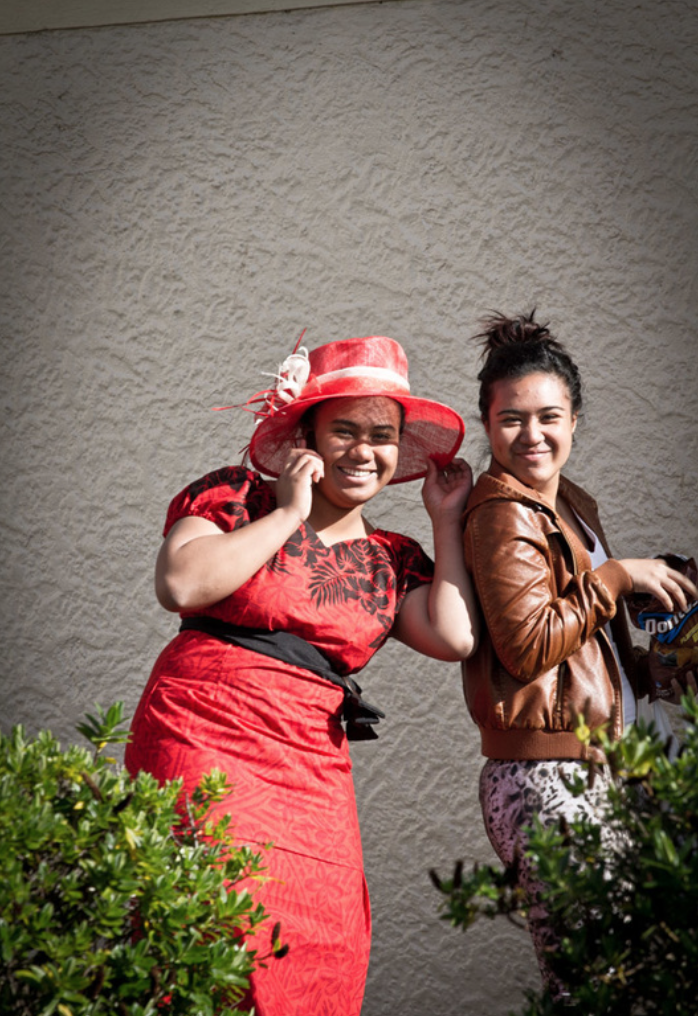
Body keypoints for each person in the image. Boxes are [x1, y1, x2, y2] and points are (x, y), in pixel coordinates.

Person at [125, 334, 479, 1016]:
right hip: (202, 735)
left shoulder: (390, 559)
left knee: (322, 935)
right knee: (211, 926)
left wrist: (446, 520)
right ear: (304, 435)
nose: (363, 451)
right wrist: (289, 512)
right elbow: (181, 582)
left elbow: (455, 635)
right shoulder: (237, 498)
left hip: (310, 767)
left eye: (382, 436)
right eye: (344, 430)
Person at [460, 311, 697, 991]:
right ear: (487, 425)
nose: (532, 434)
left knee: (633, 979)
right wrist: (616, 577)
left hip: (603, 767)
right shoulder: (502, 512)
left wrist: (667, 655)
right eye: (512, 419)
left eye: (549, 416)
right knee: (595, 987)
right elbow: (530, 645)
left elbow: (585, 647)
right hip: (551, 779)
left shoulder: (566, 503)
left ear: (574, 420)